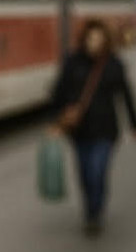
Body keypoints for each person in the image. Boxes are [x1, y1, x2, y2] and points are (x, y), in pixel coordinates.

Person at [49, 19, 136, 235]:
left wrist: (134, 125)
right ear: (84, 39)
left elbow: (125, 95)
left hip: (106, 130)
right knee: (85, 173)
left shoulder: (113, 64)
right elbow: (57, 93)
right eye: (91, 38)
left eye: (98, 38)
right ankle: (90, 208)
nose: (94, 43)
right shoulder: (72, 62)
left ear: (106, 40)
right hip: (79, 131)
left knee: (98, 171)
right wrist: (57, 121)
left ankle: (95, 214)